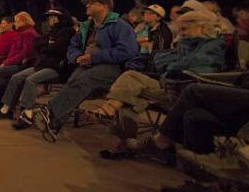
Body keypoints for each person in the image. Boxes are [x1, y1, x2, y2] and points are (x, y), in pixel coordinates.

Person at [31, 0, 139, 143]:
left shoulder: (119, 25)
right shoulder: (86, 27)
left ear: (104, 6)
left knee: (84, 80)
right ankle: (53, 124)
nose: (87, 5)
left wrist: (94, 57)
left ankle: (49, 111)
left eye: (91, 3)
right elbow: (72, 47)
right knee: (72, 82)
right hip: (87, 64)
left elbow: (127, 51)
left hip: (112, 67)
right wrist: (76, 57)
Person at [89, 9, 227, 122]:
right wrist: (170, 63)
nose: (181, 34)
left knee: (130, 85)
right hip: (171, 84)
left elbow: (196, 67)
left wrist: (171, 65)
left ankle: (110, 111)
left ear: (202, 27)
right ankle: (122, 134)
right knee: (130, 91)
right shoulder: (191, 43)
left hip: (181, 92)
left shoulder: (212, 46)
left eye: (184, 29)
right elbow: (165, 60)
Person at [0, 8, 76, 129]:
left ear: (60, 17)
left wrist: (46, 46)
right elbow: (37, 43)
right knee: (17, 77)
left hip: (57, 67)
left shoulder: (68, 32)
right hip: (43, 64)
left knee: (31, 80)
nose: (50, 19)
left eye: (53, 17)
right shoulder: (52, 31)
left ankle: (27, 114)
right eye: (49, 17)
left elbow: (59, 49)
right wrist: (48, 45)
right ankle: (7, 108)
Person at [0, 11, 39, 107]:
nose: (15, 23)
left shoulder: (29, 33)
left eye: (16, 21)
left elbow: (24, 54)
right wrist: (6, 62)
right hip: (15, 62)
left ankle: (5, 101)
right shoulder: (21, 33)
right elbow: (14, 52)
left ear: (23, 21)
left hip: (23, 64)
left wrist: (7, 63)